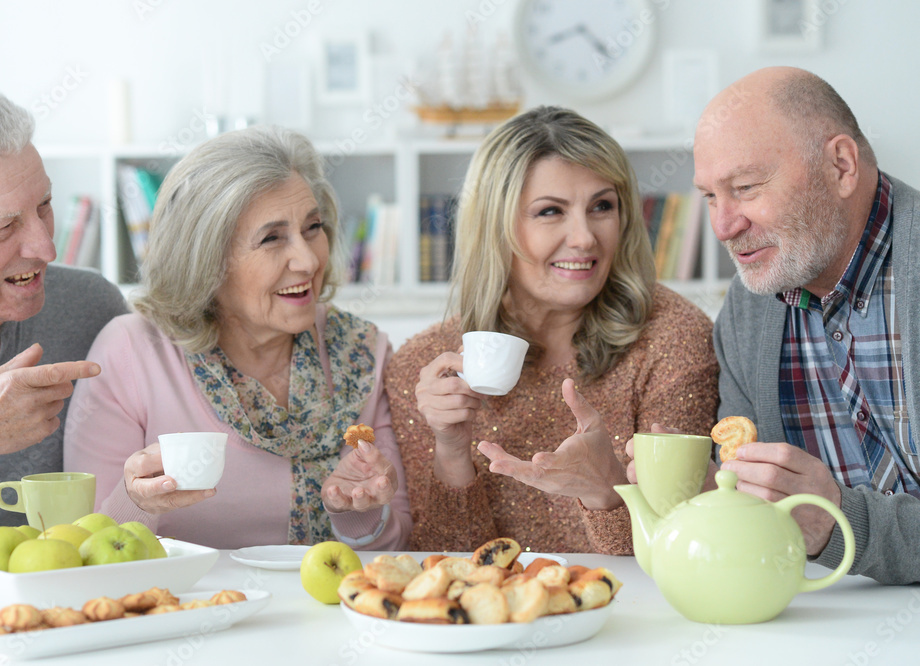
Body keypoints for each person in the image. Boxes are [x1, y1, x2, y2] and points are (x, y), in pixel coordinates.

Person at [385, 106, 719, 554]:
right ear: (495, 226)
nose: (584, 237)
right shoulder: (424, 364)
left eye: (602, 206)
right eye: (550, 212)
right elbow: (447, 566)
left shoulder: (672, 338)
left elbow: (682, 550)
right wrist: (450, 449)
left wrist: (606, 492)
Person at [64, 126, 411, 550]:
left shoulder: (363, 352)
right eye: (271, 238)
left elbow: (399, 550)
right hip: (181, 607)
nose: (306, 259)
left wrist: (357, 513)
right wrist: (139, 502)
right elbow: (84, 549)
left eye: (313, 227)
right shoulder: (131, 352)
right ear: (208, 261)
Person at [691, 66, 920, 585]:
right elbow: (754, 515)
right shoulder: (748, 313)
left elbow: (821, 524)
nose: (723, 226)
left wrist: (839, 522)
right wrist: (701, 491)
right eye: (709, 196)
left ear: (841, 165)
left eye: (746, 187)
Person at [0, 84, 127, 526]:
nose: (46, 248)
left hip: (58, 590)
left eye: (45, 205)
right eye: (4, 228)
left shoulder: (93, 308)